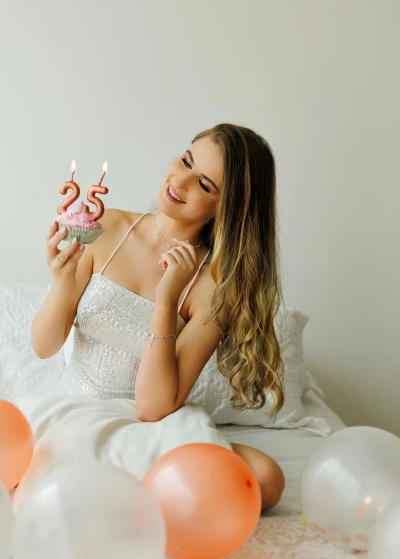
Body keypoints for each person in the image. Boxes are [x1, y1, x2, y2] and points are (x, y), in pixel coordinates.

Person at [30, 123, 286, 512]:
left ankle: (121, 487)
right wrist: (63, 282)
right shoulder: (108, 227)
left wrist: (167, 302)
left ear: (226, 208)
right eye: (185, 160)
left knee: (266, 479)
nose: (179, 182)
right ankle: (127, 491)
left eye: (204, 185)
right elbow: (44, 346)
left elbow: (152, 407)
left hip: (149, 425)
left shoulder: (215, 289)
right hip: (75, 409)